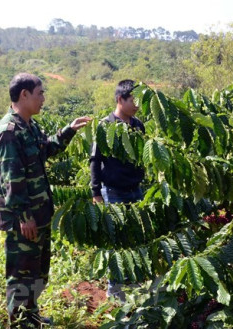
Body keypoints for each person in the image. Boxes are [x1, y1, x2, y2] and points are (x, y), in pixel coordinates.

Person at [0, 73, 91, 328]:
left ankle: (31, 316)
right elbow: (11, 179)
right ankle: (21, 322)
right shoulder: (9, 132)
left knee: (37, 272)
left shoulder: (29, 126)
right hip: (24, 219)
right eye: (40, 93)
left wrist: (68, 130)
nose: (43, 98)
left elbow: (45, 149)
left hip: (39, 214)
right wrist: (24, 216)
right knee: (21, 276)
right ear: (24, 95)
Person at [90, 79, 145, 301]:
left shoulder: (138, 125)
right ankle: (115, 288)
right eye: (133, 100)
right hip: (113, 192)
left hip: (135, 190)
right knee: (116, 241)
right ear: (120, 99)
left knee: (136, 237)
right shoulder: (105, 125)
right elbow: (95, 160)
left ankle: (135, 281)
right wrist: (95, 192)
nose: (137, 105)